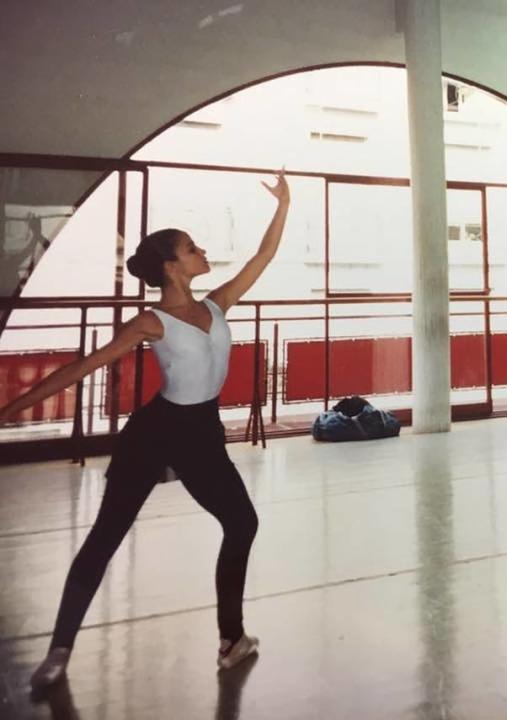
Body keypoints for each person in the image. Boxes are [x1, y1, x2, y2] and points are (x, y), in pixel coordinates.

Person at [0, 171, 290, 690]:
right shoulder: (151, 321)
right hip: (156, 431)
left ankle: (231, 640)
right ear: (171, 266)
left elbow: (262, 258)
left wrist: (283, 204)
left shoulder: (216, 303)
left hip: (201, 431)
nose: (202, 252)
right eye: (192, 248)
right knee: (106, 536)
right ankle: (59, 650)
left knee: (241, 523)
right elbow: (82, 368)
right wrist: (10, 409)